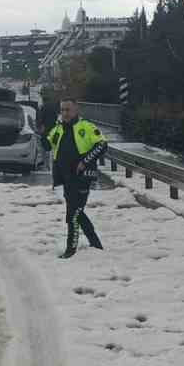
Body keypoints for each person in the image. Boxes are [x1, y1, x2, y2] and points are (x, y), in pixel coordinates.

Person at [47, 98, 107, 257]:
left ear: (76, 110)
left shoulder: (86, 127)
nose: (65, 113)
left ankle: (70, 250)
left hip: (82, 177)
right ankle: (95, 243)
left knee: (72, 214)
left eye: (68, 109)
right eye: (63, 110)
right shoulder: (58, 129)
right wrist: (42, 129)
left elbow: (102, 145)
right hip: (64, 178)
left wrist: (85, 161)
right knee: (77, 212)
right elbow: (48, 145)